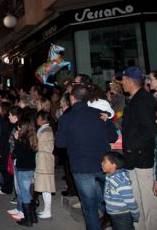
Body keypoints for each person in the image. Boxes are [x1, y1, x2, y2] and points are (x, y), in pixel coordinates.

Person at [56, 83, 118, 230]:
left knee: (89, 207)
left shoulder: (66, 118)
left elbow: (60, 143)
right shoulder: (101, 115)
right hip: (104, 164)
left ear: (72, 98)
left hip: (81, 166)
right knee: (112, 200)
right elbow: (113, 137)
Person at [120, 66, 157, 230]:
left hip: (143, 159)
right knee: (137, 200)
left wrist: (131, 146)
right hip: (134, 158)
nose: (121, 83)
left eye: (122, 80)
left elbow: (150, 130)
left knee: (150, 203)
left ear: (128, 80)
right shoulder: (134, 98)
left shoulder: (143, 100)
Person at [102, 151, 139, 230]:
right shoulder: (110, 176)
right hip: (114, 214)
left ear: (114, 165)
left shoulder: (120, 181)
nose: (102, 163)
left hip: (122, 215)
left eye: (104, 162)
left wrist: (135, 214)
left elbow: (130, 200)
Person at [13, 117, 38, 227]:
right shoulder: (32, 138)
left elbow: (15, 154)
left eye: (19, 127)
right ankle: (33, 216)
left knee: (25, 194)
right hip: (31, 168)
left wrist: (16, 140)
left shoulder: (22, 140)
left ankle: (28, 220)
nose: (17, 129)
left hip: (22, 169)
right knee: (28, 192)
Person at [34, 110, 56, 220]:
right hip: (43, 159)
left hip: (45, 160)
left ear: (43, 120)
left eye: (38, 118)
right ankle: (46, 210)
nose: (37, 120)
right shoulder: (44, 129)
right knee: (44, 187)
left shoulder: (46, 131)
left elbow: (39, 146)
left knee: (46, 187)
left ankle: (48, 211)